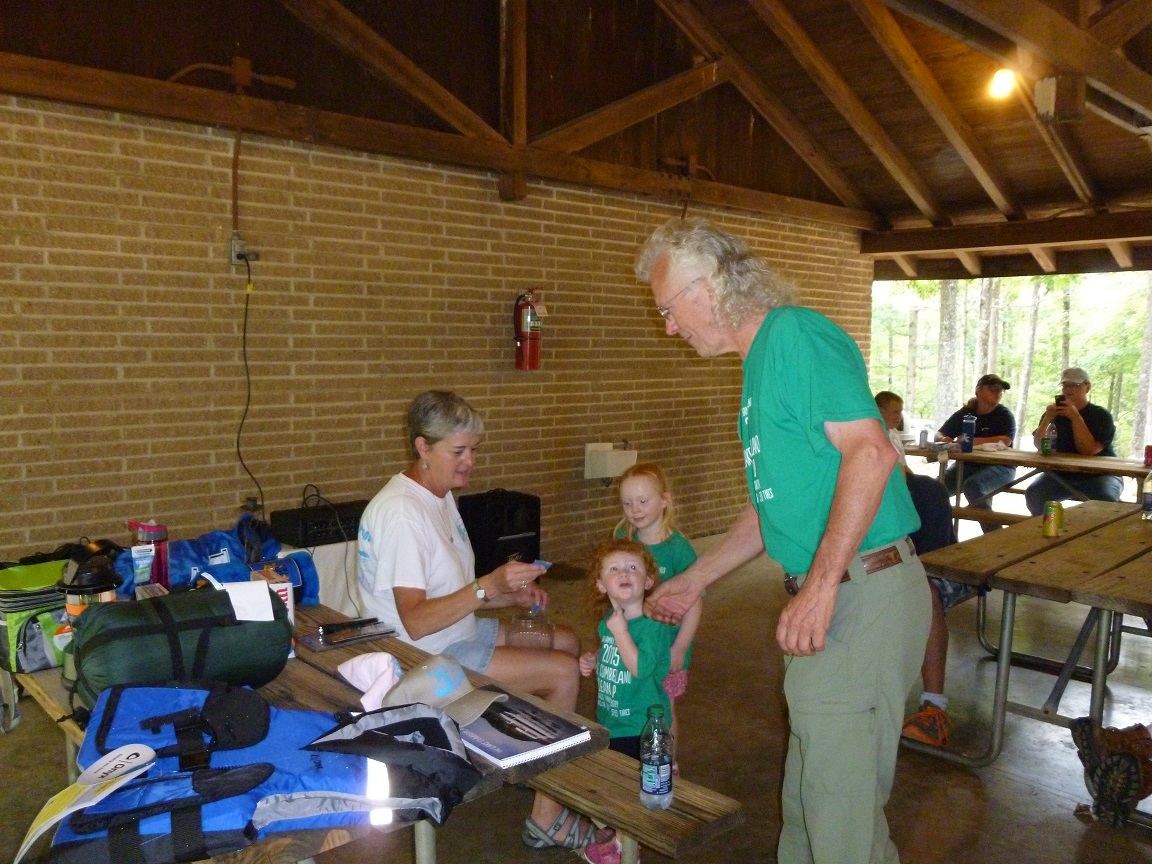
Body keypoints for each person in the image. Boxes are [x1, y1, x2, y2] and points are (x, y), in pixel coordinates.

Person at [636, 218, 931, 864]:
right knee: (806, 810)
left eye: (667, 308)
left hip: (862, 593)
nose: (668, 327)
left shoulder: (794, 335)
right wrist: (696, 578)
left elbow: (871, 453)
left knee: (839, 824)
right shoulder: (757, 367)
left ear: (708, 286)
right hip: (838, 596)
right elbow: (773, 509)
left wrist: (821, 586)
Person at [357, 390, 596, 851]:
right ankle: (547, 819)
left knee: (565, 639)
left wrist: (505, 593)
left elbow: (449, 594)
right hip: (425, 656)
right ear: (423, 448)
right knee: (563, 670)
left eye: (474, 450)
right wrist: (488, 586)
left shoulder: (437, 494)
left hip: (454, 630)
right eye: (459, 452)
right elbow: (419, 621)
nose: (470, 462)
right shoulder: (403, 514)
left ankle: (537, 757)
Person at [875, 391, 968, 748]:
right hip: (882, 565)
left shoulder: (922, 492)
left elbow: (932, 563)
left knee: (924, 591)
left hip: (927, 569)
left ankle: (934, 706)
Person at [614, 462, 699, 766]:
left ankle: (669, 765)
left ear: (665, 500)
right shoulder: (626, 545)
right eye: (627, 502)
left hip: (666, 651)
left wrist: (680, 648)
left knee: (664, 708)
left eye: (643, 500)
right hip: (632, 646)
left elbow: (695, 604)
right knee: (636, 704)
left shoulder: (679, 550)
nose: (634, 509)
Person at [578, 538, 676, 758]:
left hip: (643, 725)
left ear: (648, 581)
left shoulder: (652, 627)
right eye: (614, 569)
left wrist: (621, 632)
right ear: (601, 584)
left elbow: (640, 669)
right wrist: (595, 658)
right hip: (611, 720)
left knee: (642, 783)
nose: (624, 573)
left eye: (633, 568)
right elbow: (611, 650)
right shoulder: (609, 621)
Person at [1025, 367, 1123, 515]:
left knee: (1105, 500)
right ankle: (1050, 531)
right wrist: (1048, 418)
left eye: (1075, 385)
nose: (1068, 390)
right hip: (1061, 474)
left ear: (1087, 387)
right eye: (1065, 385)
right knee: (1035, 495)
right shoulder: (1053, 414)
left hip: (1100, 475)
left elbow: (1088, 450)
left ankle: (1094, 537)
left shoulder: (1101, 415)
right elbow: (1039, 445)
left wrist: (1075, 417)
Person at [936, 374, 1016, 532]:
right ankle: (944, 536)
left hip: (1001, 466)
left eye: (1000, 390)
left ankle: (994, 535)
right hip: (967, 464)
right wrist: (946, 439)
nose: (998, 392)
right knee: (935, 489)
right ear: (978, 391)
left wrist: (969, 441)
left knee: (973, 486)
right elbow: (939, 434)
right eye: (993, 389)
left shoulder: (1004, 415)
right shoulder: (966, 413)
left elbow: (1005, 440)